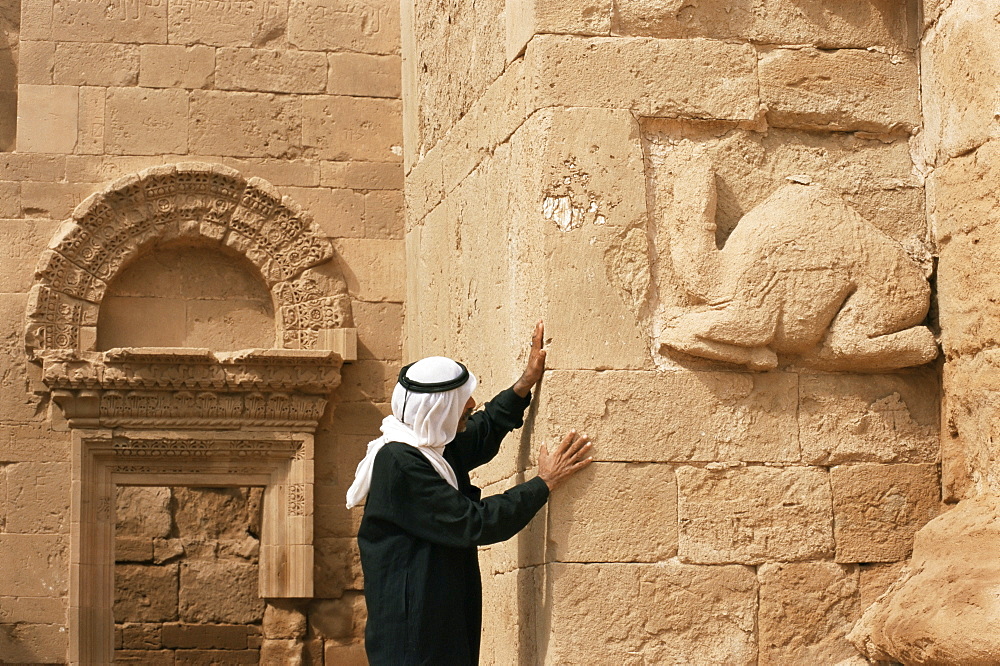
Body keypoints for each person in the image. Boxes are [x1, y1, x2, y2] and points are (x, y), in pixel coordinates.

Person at [346, 321, 592, 665]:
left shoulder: (427, 447)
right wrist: (544, 483)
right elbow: (473, 523)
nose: (472, 403)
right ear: (438, 410)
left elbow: (480, 431)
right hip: (414, 635)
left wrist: (524, 384)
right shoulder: (400, 462)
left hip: (437, 621)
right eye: (463, 402)